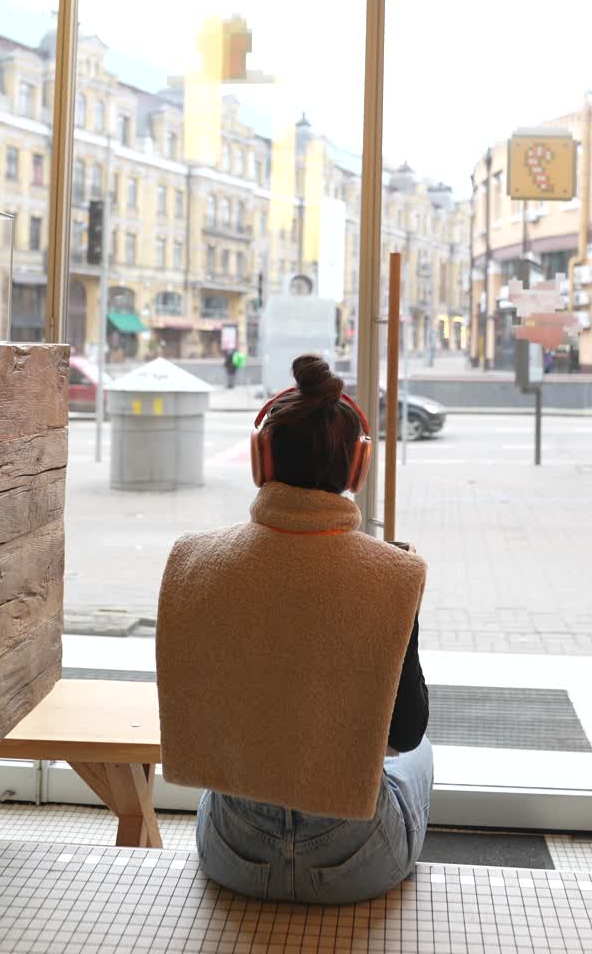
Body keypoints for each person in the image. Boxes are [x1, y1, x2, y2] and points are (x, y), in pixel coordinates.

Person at [156, 353, 432, 905]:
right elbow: (405, 733)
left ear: (261, 459)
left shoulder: (192, 558)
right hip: (358, 860)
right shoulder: (396, 573)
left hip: (232, 851)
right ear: (358, 468)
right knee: (423, 755)